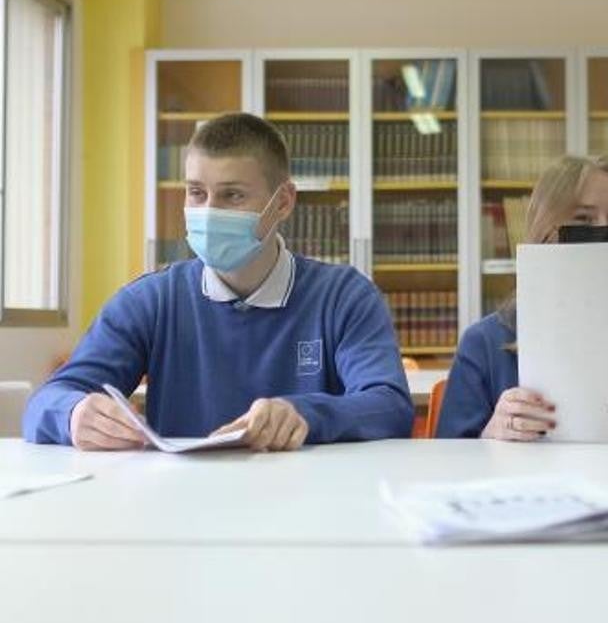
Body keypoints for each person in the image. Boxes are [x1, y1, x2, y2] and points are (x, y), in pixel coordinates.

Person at [23, 112, 414, 451]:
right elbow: (48, 401)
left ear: (282, 202)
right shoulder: (152, 300)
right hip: (182, 506)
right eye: (196, 193)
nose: (209, 212)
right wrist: (74, 414)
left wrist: (305, 414)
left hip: (304, 505)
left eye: (232, 195)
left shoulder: (344, 296)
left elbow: (389, 405)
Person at [438, 156, 608, 441]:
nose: (604, 231)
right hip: (526, 485)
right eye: (583, 219)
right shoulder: (483, 343)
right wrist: (490, 435)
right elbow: (447, 462)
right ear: (545, 233)